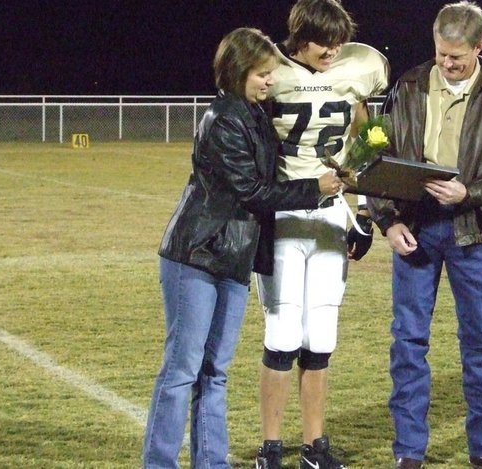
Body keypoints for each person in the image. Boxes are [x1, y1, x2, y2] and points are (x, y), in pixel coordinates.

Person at [142, 27, 343, 469]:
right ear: (238, 71)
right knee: (182, 372)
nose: (270, 81)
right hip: (196, 256)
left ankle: (211, 463)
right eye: (262, 74)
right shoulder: (224, 119)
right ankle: (159, 463)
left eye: (272, 73)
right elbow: (254, 191)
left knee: (215, 372)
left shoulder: (253, 114)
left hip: (232, 257)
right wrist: (315, 190)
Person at [367, 1, 482, 469]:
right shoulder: (409, 86)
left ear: (480, 47)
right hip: (414, 230)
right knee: (408, 343)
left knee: (481, 343)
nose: (447, 63)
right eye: (441, 53)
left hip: (473, 233)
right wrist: (388, 219)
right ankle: (409, 453)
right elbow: (378, 157)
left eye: (457, 56)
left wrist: (468, 191)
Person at [254, 0, 389, 469]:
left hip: (332, 213)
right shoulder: (271, 73)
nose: (332, 52)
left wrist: (366, 213)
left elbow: (370, 139)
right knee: (282, 330)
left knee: (322, 335)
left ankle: (315, 445)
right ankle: (271, 447)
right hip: (284, 211)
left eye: (337, 43)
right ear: (300, 37)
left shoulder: (351, 77)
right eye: (322, 43)